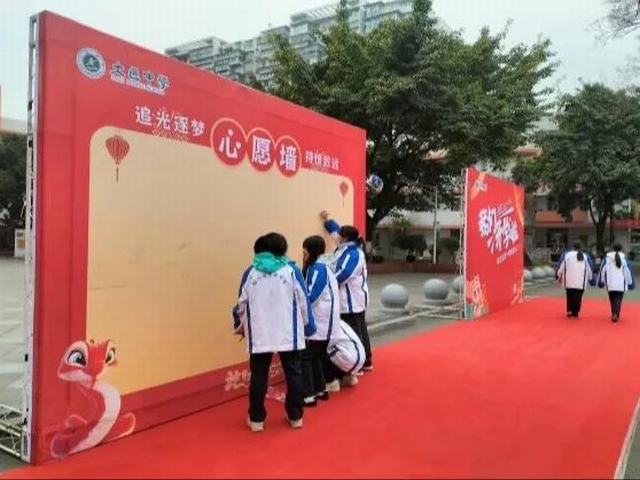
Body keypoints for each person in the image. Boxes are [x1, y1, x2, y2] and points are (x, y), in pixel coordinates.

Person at [232, 233, 316, 432]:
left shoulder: (250, 273)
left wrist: (240, 326)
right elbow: (303, 301)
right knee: (294, 374)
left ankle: (256, 420)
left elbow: (241, 304)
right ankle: (295, 417)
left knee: (259, 376)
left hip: (260, 333)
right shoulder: (292, 270)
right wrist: (308, 327)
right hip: (289, 333)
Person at [320, 211, 372, 371]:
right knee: (359, 328)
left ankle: (361, 361)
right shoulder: (347, 247)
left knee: (356, 331)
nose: (337, 237)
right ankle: (365, 360)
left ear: (345, 238)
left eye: (340, 236)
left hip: (351, 301)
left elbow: (343, 274)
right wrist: (327, 220)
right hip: (351, 300)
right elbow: (335, 231)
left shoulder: (353, 254)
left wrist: (325, 282)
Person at [300, 236, 341, 407]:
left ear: (310, 251)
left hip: (321, 323)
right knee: (316, 357)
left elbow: (311, 295)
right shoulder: (323, 266)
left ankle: (308, 395)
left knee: (306, 357)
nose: (303, 255)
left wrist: (296, 308)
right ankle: (320, 390)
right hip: (325, 322)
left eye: (304, 251)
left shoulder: (317, 268)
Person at [597, 244, 635, 322]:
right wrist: (630, 283)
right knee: (618, 299)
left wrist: (601, 282)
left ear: (613, 249)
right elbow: (628, 272)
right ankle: (616, 314)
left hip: (610, 283)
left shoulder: (606, 259)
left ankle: (614, 313)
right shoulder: (624, 260)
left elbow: (602, 271)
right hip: (621, 283)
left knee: (612, 299)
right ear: (621, 249)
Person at [556, 241, 594, 318]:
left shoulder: (566, 255)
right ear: (581, 247)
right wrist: (591, 278)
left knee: (569, 295)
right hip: (580, 281)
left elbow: (561, 265)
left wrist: (558, 274)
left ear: (572, 247)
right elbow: (590, 267)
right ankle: (575, 312)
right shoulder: (585, 256)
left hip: (569, 280)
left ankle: (569, 310)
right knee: (578, 297)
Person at [324, 320, 365, 392]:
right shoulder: (337, 320)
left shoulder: (326, 324)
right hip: (359, 357)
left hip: (349, 357)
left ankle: (331, 381)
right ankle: (347, 376)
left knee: (318, 351)